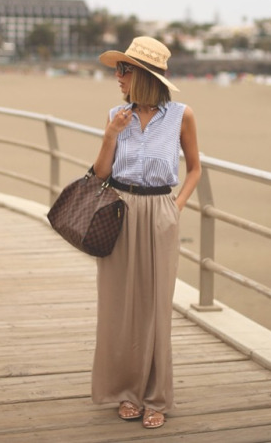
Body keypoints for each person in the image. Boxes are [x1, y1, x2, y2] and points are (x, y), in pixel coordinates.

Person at [91, 36, 201, 429]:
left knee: (155, 307)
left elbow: (195, 169)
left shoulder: (181, 116)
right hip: (119, 210)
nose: (117, 77)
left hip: (159, 212)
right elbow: (100, 173)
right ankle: (126, 392)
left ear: (143, 75)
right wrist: (110, 135)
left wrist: (176, 206)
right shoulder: (115, 114)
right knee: (119, 307)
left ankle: (156, 396)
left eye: (124, 69)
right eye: (118, 69)